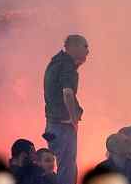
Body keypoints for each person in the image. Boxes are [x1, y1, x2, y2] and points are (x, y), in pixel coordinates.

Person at [43, 34, 89, 184]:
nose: (88, 51)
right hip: (62, 125)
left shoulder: (55, 63)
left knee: (63, 164)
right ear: (73, 47)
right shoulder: (66, 65)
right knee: (67, 167)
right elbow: (67, 93)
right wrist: (73, 119)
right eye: (85, 46)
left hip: (52, 124)